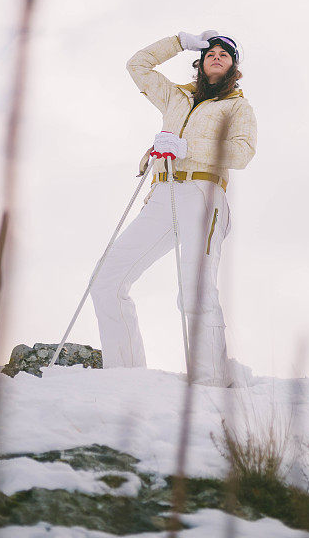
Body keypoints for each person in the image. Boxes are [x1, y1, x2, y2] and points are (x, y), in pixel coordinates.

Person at [90, 30, 258, 387]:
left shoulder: (237, 106)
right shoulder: (175, 97)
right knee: (107, 280)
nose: (216, 56)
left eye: (225, 55)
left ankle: (211, 382)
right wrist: (179, 41)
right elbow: (137, 65)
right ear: (199, 60)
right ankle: (124, 378)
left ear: (233, 67)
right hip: (163, 193)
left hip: (205, 193)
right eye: (210, 51)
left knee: (195, 289)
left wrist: (187, 146)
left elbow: (242, 153)